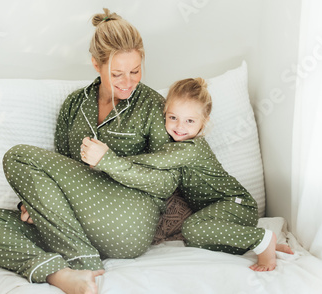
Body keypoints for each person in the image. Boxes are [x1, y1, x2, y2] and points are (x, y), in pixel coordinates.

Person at [0, 8, 173, 294]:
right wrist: (33, 204)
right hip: (75, 223)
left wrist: (110, 162)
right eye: (117, 73)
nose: (128, 82)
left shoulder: (152, 105)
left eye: (135, 71)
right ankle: (61, 274)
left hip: (128, 223)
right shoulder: (74, 105)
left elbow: (167, 181)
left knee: (18, 156)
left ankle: (82, 261)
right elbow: (60, 171)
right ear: (97, 65)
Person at [81, 77, 294, 273]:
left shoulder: (192, 148)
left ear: (204, 122)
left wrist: (106, 161)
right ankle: (262, 244)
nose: (179, 127)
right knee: (197, 238)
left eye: (190, 121)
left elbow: (155, 161)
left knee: (192, 228)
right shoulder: (175, 144)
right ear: (165, 114)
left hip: (237, 204)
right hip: (218, 213)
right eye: (173, 117)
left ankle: (263, 240)